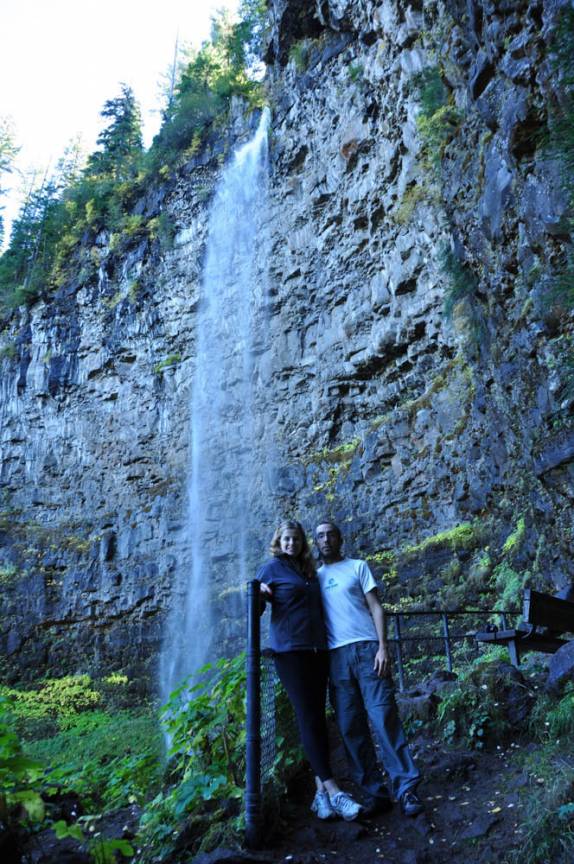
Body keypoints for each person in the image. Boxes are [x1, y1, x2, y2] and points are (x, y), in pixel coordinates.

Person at [315, 520, 423, 817]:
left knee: (384, 717)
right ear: (316, 542)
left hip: (367, 650)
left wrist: (382, 646)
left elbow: (376, 606)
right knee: (351, 728)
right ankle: (375, 793)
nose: (326, 540)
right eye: (320, 536)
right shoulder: (314, 577)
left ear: (340, 538)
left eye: (330, 535)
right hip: (335, 658)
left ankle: (407, 789)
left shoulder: (358, 566)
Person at [257, 519, 363, 821]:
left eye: (296, 539)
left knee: (317, 719)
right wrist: (257, 594)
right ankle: (335, 791)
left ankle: (319, 796)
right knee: (307, 717)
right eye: (286, 539)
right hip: (290, 653)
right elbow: (258, 609)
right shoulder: (271, 569)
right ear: (279, 541)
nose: (292, 544)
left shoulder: (307, 571)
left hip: (318, 650)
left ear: (303, 543)